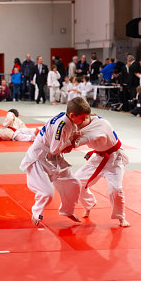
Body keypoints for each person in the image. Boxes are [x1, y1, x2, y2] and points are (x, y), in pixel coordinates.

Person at [19, 97, 91, 226]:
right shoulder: (62, 125)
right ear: (73, 115)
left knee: (74, 184)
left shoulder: (69, 119)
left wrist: (71, 139)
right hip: (38, 159)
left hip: (52, 159)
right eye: (82, 117)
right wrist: (71, 141)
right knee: (47, 193)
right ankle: (36, 212)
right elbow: (54, 148)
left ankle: (67, 211)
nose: (84, 120)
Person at [72, 111, 131, 227]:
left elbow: (80, 140)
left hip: (114, 159)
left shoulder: (101, 125)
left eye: (79, 124)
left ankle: (121, 217)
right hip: (98, 158)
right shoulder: (84, 125)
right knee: (77, 181)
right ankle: (89, 203)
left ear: (85, 118)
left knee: (115, 189)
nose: (77, 126)